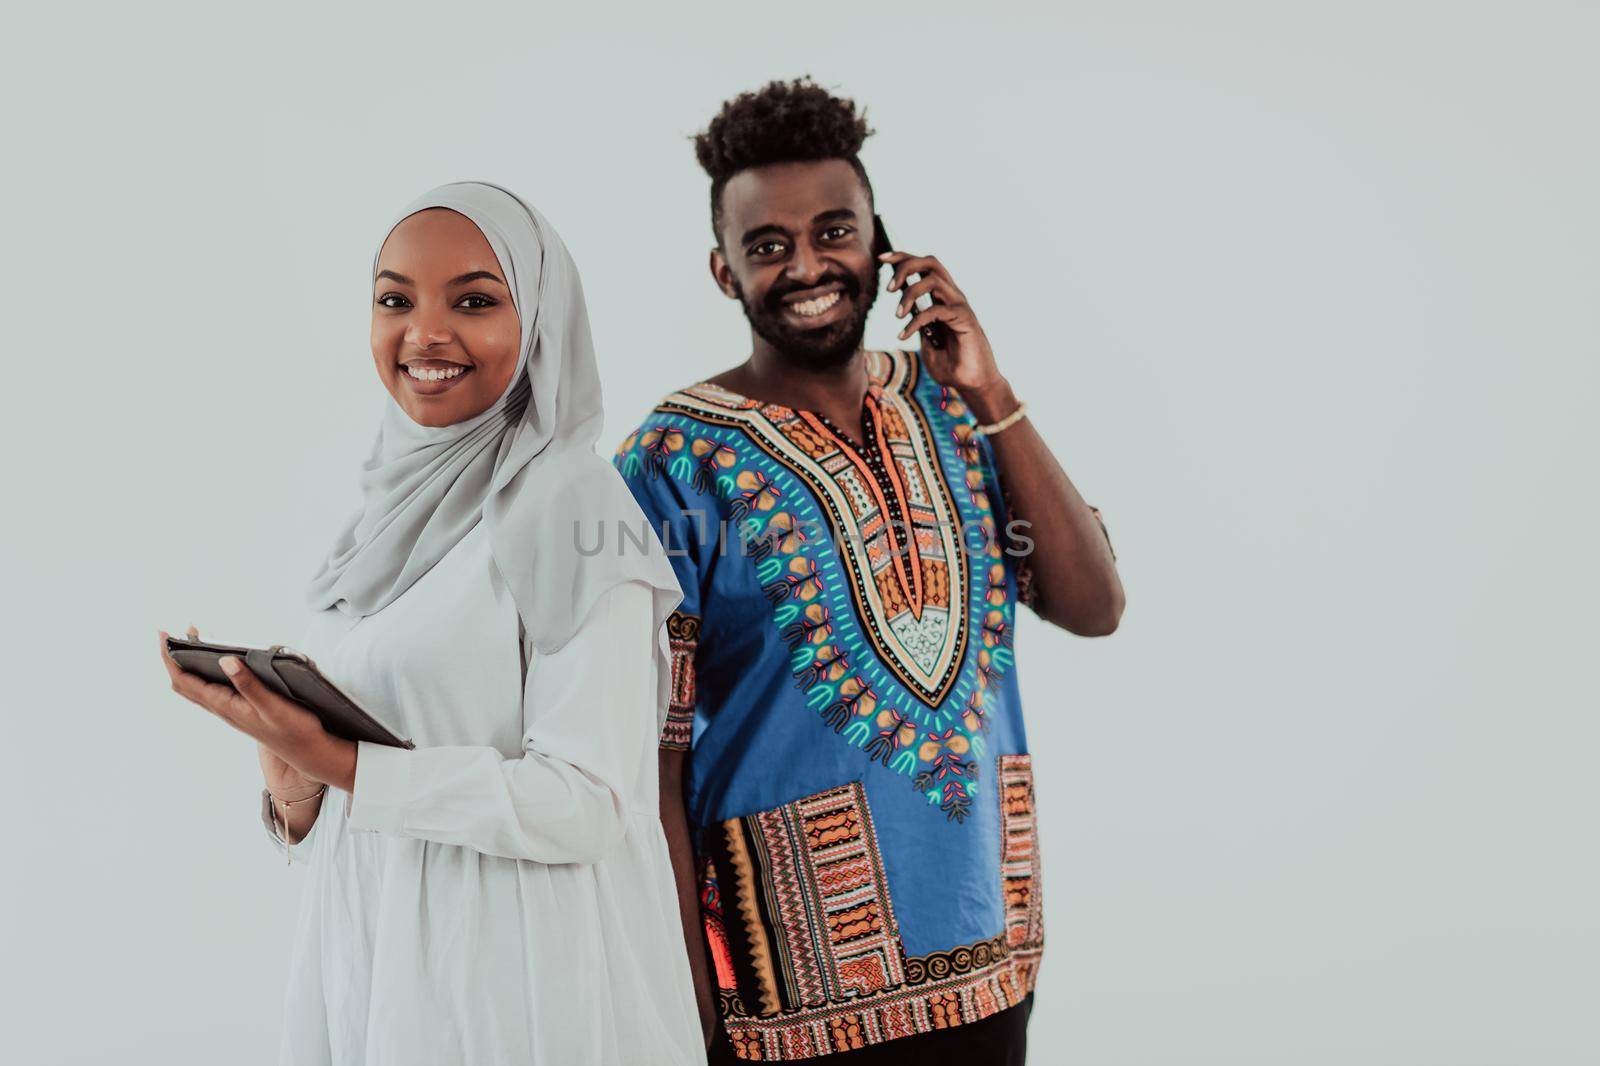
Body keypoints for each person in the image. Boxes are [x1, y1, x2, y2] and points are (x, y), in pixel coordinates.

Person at [612, 79, 1125, 1064]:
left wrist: (993, 391)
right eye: (768, 246)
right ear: (724, 272)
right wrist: (686, 1013)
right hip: (788, 990)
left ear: (882, 246)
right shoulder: (668, 463)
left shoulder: (954, 404)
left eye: (833, 231)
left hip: (990, 951)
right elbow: (652, 771)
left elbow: (1093, 604)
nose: (806, 265)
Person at [159, 182, 705, 1066]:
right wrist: (292, 771)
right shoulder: (384, 511)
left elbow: (591, 805)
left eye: (476, 301)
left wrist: (344, 762)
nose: (425, 333)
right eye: (394, 300)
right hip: (379, 957)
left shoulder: (572, 508)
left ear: (539, 322)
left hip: (518, 973)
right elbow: (375, 773)